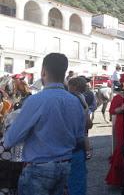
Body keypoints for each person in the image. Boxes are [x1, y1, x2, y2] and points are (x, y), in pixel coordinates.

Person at [3, 53, 85, 195]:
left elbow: (12, 137)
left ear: (43, 72)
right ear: (64, 72)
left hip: (39, 169)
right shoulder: (75, 101)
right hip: (65, 167)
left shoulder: (36, 100)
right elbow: (79, 137)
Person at [105, 72, 124, 187]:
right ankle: (118, 179)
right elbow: (112, 111)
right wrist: (122, 108)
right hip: (122, 124)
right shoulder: (119, 97)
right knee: (121, 148)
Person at [67, 77, 91, 195]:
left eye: (69, 85)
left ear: (74, 87)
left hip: (71, 145)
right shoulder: (83, 98)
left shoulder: (71, 98)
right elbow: (89, 124)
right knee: (79, 181)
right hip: (80, 143)